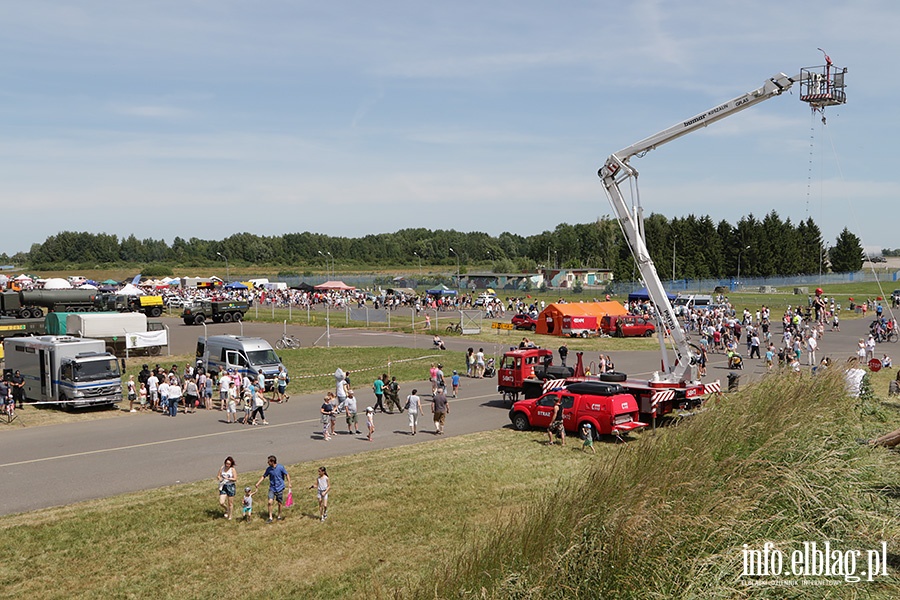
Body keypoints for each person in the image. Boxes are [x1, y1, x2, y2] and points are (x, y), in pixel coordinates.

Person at [254, 455, 291, 524]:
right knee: (269, 502)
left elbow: (287, 474)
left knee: (279, 503)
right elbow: (264, 476)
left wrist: (289, 483)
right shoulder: (269, 469)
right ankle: (270, 517)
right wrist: (258, 483)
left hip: (280, 488)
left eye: (269, 461)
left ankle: (279, 516)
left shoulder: (280, 467)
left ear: (272, 462)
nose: (267, 463)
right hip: (272, 488)